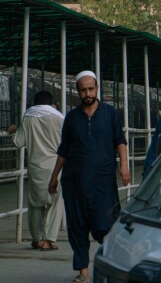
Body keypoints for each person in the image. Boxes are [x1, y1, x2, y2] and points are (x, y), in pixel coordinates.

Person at [49, 71, 130, 283]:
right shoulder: (71, 117)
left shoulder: (110, 113)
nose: (88, 93)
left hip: (103, 181)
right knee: (77, 227)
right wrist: (54, 176)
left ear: (97, 89)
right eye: (83, 90)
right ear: (78, 91)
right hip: (74, 182)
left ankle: (113, 267)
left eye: (91, 89)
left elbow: (120, 141)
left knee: (105, 224)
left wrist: (124, 166)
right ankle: (83, 273)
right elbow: (64, 149)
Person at [7, 90, 65, 250]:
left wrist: (12, 131)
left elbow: (18, 142)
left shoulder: (28, 117)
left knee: (35, 204)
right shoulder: (59, 118)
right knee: (55, 203)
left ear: (35, 103)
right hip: (56, 166)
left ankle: (36, 239)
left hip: (35, 166)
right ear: (51, 103)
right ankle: (49, 240)